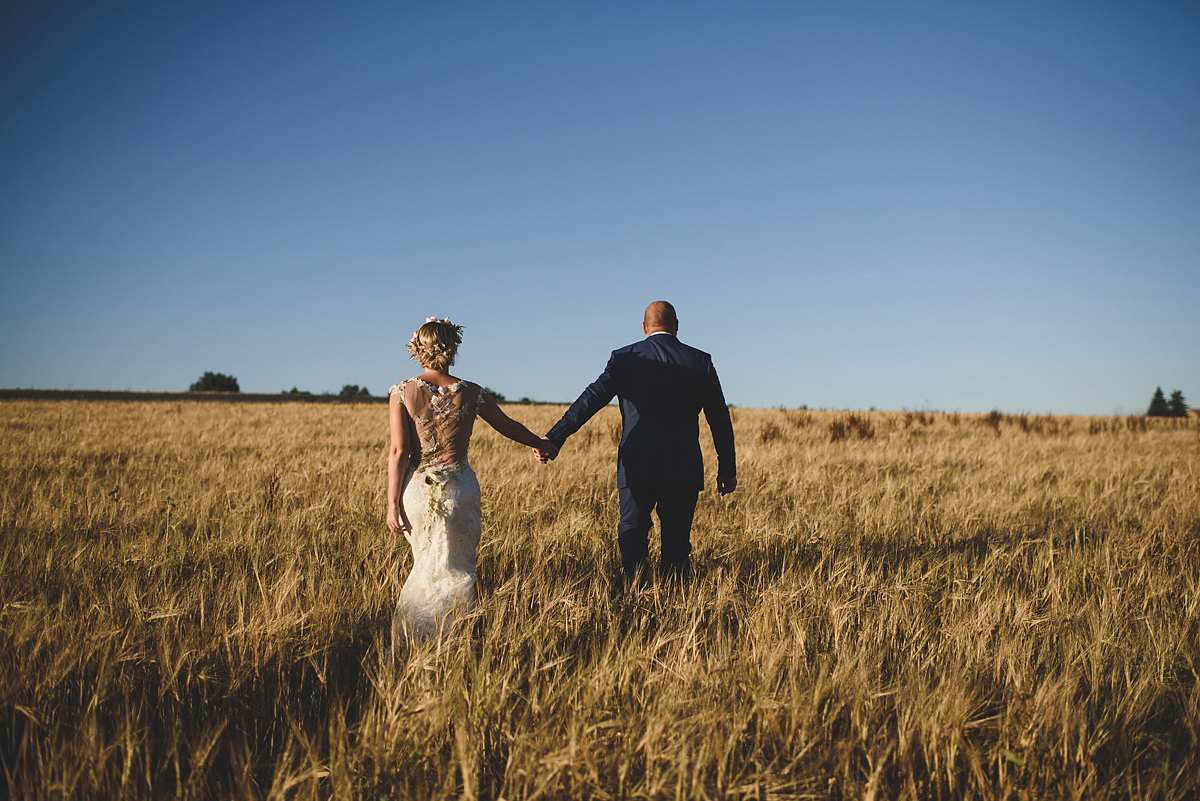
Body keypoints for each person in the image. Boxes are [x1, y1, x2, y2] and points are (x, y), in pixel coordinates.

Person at [536, 301, 735, 583]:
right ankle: (676, 608)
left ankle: (635, 596)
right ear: (676, 327)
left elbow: (591, 399)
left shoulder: (625, 358)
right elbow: (719, 417)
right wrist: (727, 468)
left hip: (637, 464)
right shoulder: (700, 361)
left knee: (632, 532)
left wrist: (555, 437)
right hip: (682, 465)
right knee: (677, 544)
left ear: (644, 328)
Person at [387, 317, 555, 647]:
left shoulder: (401, 391)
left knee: (426, 565)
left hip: (418, 492)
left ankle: (414, 640)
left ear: (418, 350)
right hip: (460, 489)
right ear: (452, 348)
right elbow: (508, 426)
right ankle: (455, 641)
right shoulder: (472, 392)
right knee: (457, 568)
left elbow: (400, 450)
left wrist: (392, 503)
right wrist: (540, 442)